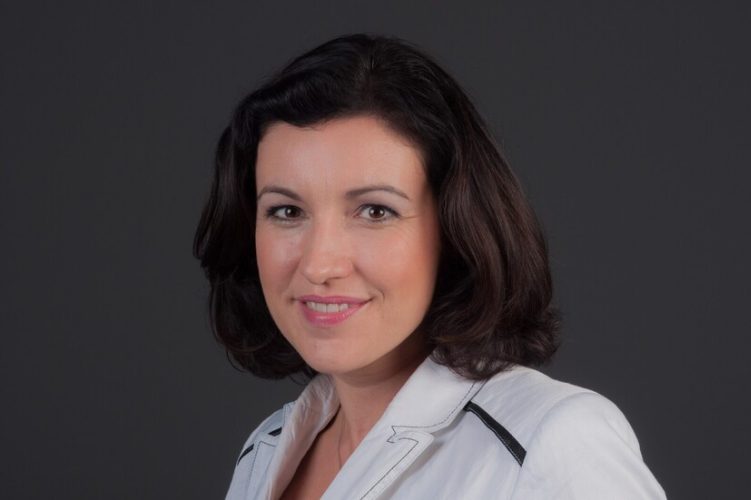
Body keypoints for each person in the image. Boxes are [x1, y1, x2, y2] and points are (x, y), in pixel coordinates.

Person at [193, 33, 666, 500]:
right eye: (287, 211)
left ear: (454, 229)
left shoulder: (551, 443)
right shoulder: (264, 452)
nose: (319, 264)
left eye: (375, 211)